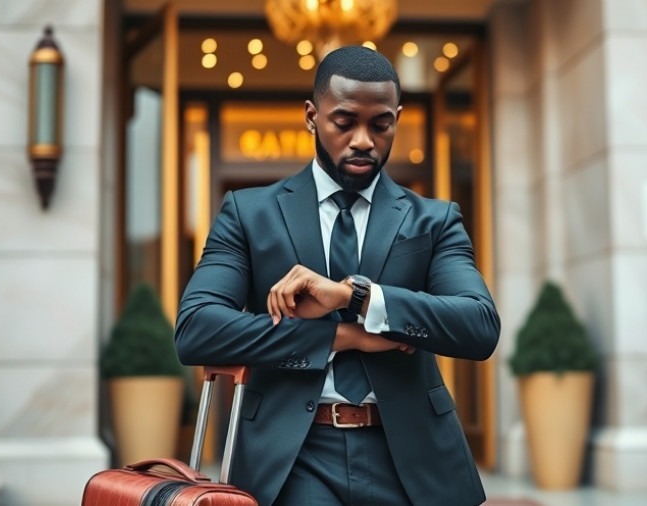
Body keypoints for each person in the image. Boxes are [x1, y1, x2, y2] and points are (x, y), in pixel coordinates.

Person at [175, 45, 500, 506]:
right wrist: (343, 338)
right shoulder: (250, 214)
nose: (364, 139)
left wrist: (356, 296)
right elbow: (196, 329)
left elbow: (479, 326)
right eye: (344, 122)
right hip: (293, 457)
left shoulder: (434, 220)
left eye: (381, 124)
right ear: (312, 116)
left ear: (397, 119)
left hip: (411, 458)